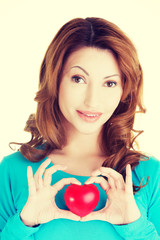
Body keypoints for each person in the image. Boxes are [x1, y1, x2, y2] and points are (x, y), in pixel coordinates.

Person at [0, 17, 160, 240]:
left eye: (110, 83)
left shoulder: (150, 174)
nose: (92, 101)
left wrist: (134, 225)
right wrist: (24, 224)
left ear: (124, 90)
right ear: (55, 80)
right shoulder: (13, 171)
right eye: (78, 79)